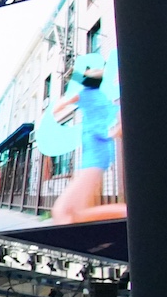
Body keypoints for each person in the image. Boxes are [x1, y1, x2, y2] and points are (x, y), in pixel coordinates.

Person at [50, 55, 128, 225]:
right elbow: (121, 124)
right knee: (72, 215)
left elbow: (57, 108)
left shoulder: (85, 95)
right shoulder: (102, 98)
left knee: (62, 212)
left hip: (95, 155)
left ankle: (133, 213)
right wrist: (112, 134)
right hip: (97, 153)